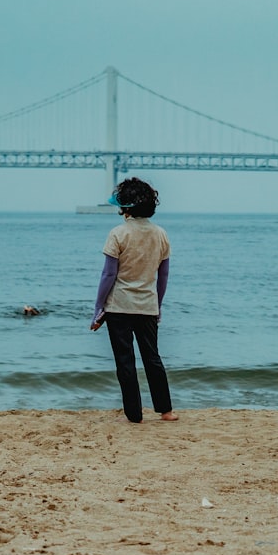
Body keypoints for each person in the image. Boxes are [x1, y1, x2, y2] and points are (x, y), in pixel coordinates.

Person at [91, 177, 178, 423]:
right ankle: (166, 410)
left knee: (125, 360)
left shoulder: (118, 234)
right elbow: (163, 275)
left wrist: (99, 307)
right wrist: (157, 305)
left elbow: (109, 274)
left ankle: (134, 415)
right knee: (152, 357)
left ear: (125, 207)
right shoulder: (161, 234)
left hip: (119, 305)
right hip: (147, 305)